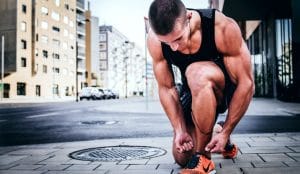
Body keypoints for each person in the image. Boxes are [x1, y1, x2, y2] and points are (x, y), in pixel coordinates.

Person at [147, 0, 255, 173]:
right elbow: (166, 88)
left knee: (196, 72)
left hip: (223, 89)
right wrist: (180, 129)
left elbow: (246, 83)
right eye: (167, 43)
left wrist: (227, 131)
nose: (173, 47)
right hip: (193, 92)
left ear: (189, 17)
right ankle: (215, 130)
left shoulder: (221, 27)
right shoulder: (155, 40)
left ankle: (204, 160)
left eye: (178, 38)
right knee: (182, 157)